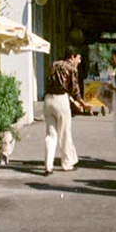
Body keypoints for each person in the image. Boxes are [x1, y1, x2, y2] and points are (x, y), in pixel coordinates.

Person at [43, 46, 91, 176]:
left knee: (51, 134)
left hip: (48, 99)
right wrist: (82, 103)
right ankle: (67, 163)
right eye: (79, 58)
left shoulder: (53, 64)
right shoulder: (71, 68)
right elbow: (74, 89)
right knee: (64, 133)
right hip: (61, 100)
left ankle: (48, 165)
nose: (79, 61)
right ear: (72, 57)